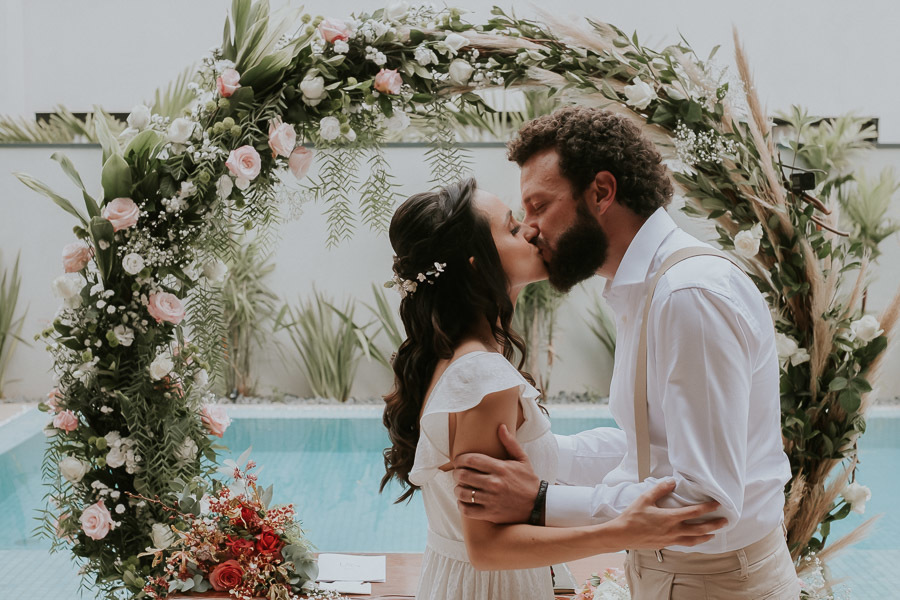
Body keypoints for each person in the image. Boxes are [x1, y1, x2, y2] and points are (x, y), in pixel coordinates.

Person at [451, 107, 800, 599]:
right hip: (679, 573)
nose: (530, 229)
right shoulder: (644, 287)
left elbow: (704, 504)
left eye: (538, 206)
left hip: (717, 584)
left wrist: (542, 501)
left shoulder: (687, 295)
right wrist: (545, 455)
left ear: (600, 193)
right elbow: (652, 448)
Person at [380, 178, 727, 600]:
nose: (529, 230)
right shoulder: (482, 377)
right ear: (476, 265)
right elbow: (487, 547)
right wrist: (621, 531)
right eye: (510, 229)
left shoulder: (461, 356)